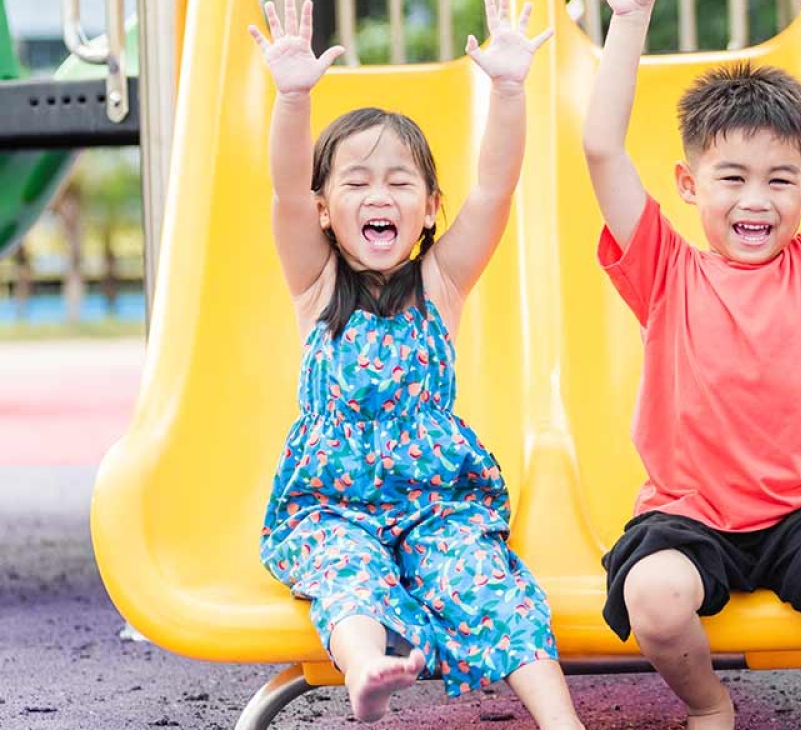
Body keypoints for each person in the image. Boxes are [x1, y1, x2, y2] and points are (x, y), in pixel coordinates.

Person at [582, 1, 801, 728]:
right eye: (731, 177)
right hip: (688, 514)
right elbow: (602, 150)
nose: (756, 200)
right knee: (653, 597)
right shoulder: (665, 268)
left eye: (779, 180)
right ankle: (709, 704)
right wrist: (630, 18)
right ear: (687, 182)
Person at [249, 1, 582, 726]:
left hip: (438, 498)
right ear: (324, 209)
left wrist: (511, 90)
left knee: (487, 581)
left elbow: (494, 188)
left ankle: (563, 721)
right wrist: (294, 96)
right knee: (347, 575)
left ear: (430, 208)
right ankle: (367, 668)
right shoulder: (316, 283)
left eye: (400, 183)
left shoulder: (442, 282)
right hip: (333, 503)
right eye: (357, 182)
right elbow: (282, 188)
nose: (379, 194)